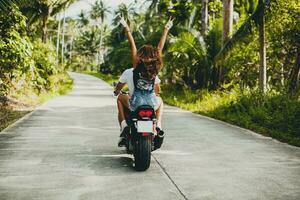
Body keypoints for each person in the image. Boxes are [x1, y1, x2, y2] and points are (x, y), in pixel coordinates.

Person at [114, 16, 174, 147]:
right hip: (151, 103)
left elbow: (132, 44)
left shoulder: (136, 67)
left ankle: (124, 125)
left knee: (120, 98)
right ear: (153, 56)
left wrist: (126, 26)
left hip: (136, 103)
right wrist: (166, 28)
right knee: (161, 101)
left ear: (139, 56)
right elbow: (160, 47)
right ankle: (158, 124)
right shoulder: (154, 70)